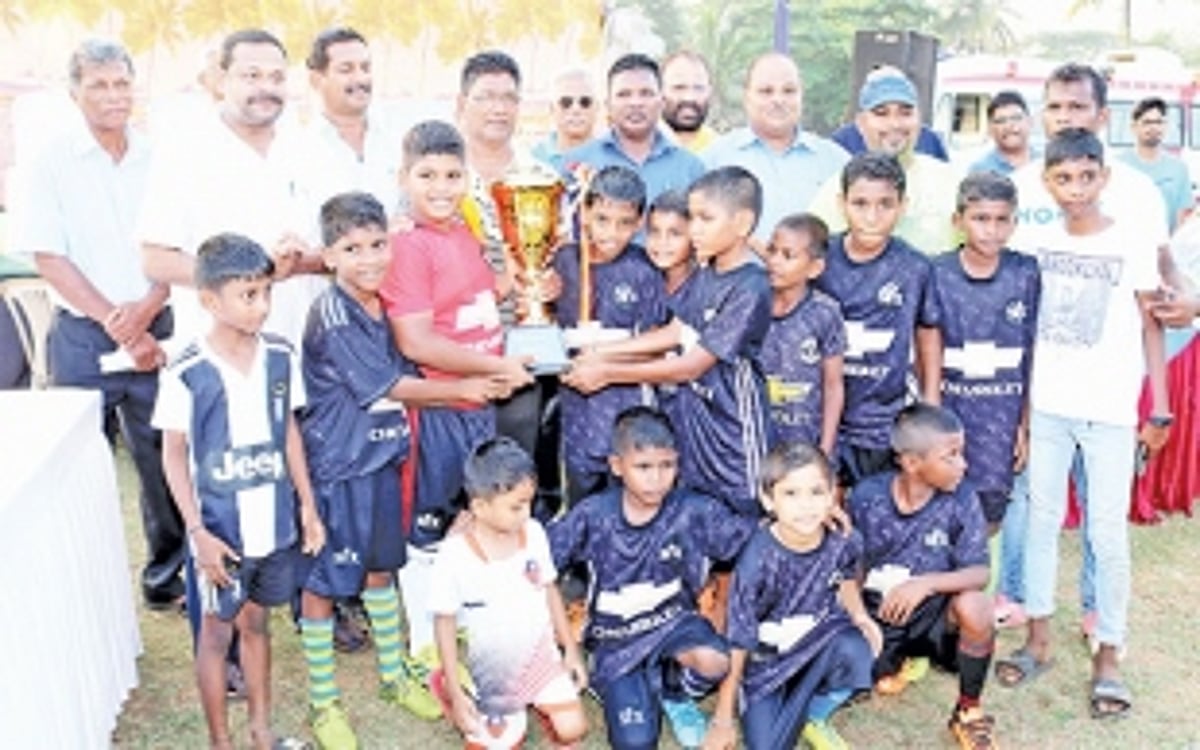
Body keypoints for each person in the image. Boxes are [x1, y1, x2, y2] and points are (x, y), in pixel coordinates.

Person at [297, 192, 513, 745]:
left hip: (385, 456)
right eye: (352, 248)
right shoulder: (333, 313)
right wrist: (463, 388)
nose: (370, 258)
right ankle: (325, 703)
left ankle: (394, 675)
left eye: (377, 244)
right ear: (329, 256)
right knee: (324, 584)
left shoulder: (380, 303)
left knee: (380, 567)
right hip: (341, 467)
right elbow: (387, 387)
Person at [994, 129, 1171, 720]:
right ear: (1047, 180)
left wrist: (1160, 406)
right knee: (1041, 523)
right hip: (1047, 407)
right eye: (1062, 178)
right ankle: (1038, 637)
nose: (1075, 189)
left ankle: (1109, 655)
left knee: (1106, 533)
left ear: (1104, 177)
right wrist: (1021, 415)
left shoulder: (1133, 242)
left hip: (1112, 413)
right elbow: (1026, 334)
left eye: (1086, 176)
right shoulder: (1036, 242)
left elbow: (1153, 327)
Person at [19, 39, 184, 610]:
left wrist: (143, 316)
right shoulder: (50, 163)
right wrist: (118, 324)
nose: (113, 96)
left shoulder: (161, 156)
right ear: (75, 93)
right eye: (99, 85)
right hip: (83, 337)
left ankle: (166, 580)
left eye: (121, 83)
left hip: (156, 326)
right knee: (78, 470)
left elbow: (181, 245)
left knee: (164, 460)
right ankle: (84, 590)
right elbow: (48, 257)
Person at [155, 233, 326, 750]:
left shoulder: (279, 356)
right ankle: (221, 742)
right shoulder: (188, 369)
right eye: (248, 295)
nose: (262, 307)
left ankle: (260, 732)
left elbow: (289, 431)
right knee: (215, 633)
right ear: (210, 301)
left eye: (266, 293)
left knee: (257, 623)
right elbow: (173, 454)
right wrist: (197, 532)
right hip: (220, 531)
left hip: (271, 523)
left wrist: (308, 507)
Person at [382, 119, 532, 667]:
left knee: (466, 513)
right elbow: (417, 339)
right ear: (404, 176)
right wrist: (492, 365)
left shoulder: (464, 232)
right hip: (439, 408)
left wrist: (523, 287)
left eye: (452, 174)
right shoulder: (407, 245)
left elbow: (479, 305)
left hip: (478, 402)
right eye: (427, 175)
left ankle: (458, 616)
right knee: (426, 520)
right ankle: (424, 639)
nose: (441, 187)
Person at [562, 166, 771, 516]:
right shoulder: (708, 274)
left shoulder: (750, 287)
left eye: (705, 218)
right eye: (694, 218)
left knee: (745, 518)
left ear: (742, 223)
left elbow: (691, 366)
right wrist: (598, 353)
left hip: (734, 431)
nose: (696, 229)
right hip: (696, 426)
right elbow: (675, 331)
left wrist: (607, 372)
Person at [549, 406, 759, 750]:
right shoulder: (593, 515)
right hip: (617, 641)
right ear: (617, 466)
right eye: (643, 467)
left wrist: (801, 514)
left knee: (716, 660)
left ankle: (674, 692)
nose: (656, 478)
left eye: (666, 466)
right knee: (635, 742)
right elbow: (538, 560)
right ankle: (622, 684)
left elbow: (754, 535)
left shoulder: (694, 510)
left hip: (674, 626)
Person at [140, 28, 326, 350]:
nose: (266, 87)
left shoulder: (307, 147)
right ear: (223, 80)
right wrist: (253, 272)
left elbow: (333, 250)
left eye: (277, 77)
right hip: (214, 358)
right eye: (251, 76)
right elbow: (155, 259)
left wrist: (301, 261)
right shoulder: (185, 150)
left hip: (300, 351)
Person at [704, 442, 878, 750]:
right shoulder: (756, 560)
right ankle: (777, 702)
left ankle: (814, 713)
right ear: (768, 500)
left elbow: (847, 575)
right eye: (791, 494)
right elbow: (739, 640)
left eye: (816, 492)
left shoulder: (843, 539)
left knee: (857, 650)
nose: (806, 505)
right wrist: (722, 718)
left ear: (832, 494)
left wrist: (860, 615)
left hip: (818, 643)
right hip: (767, 661)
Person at [849, 404, 998, 750]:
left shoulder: (961, 498)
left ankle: (968, 711)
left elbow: (980, 572)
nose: (964, 464)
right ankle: (894, 660)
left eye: (962, 453)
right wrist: (856, 620)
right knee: (849, 682)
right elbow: (850, 569)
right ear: (912, 462)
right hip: (881, 616)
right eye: (952, 456)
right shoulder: (868, 497)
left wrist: (925, 584)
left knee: (976, 605)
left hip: (935, 618)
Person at [929, 172, 1041, 628]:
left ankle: (978, 599)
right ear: (959, 220)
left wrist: (1025, 422)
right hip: (955, 412)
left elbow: (1034, 349)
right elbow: (928, 341)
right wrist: (934, 415)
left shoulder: (1025, 272)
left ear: (1014, 223)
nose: (990, 230)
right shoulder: (938, 271)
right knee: (946, 504)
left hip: (1002, 414)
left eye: (1001, 220)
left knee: (991, 511)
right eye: (980, 219)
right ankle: (939, 606)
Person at [431, 438, 588, 750]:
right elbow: (444, 622)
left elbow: (549, 589)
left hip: (541, 661)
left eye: (529, 502)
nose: (525, 513)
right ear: (479, 506)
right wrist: (460, 694)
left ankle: (545, 709)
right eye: (516, 506)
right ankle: (451, 688)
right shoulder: (453, 556)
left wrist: (570, 650)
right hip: (494, 677)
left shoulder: (534, 533)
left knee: (573, 729)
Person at [812, 153, 941, 489]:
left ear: (902, 206)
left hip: (884, 423)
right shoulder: (820, 259)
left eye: (885, 204)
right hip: (825, 418)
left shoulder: (914, 267)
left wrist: (930, 399)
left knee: (879, 512)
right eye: (860, 203)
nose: (872, 216)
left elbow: (927, 331)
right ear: (842, 204)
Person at [551, 165, 666, 504]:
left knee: (630, 501)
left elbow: (655, 345)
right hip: (575, 414)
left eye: (625, 223)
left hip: (627, 407)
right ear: (584, 213)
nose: (611, 233)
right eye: (601, 219)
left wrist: (605, 361)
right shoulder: (561, 261)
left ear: (640, 223)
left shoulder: (645, 269)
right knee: (580, 499)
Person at [810, 66, 958, 256]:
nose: (895, 124)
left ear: (919, 119)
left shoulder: (949, 182)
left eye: (905, 113)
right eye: (881, 113)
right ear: (861, 123)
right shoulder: (836, 190)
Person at [704, 53, 849, 244]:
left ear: (801, 96)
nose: (778, 100)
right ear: (747, 98)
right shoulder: (716, 159)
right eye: (766, 91)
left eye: (789, 91)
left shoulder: (835, 162)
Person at [564, 53, 705, 207]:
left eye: (646, 93)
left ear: (661, 102)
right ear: (608, 105)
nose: (635, 103)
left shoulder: (691, 169)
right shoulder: (577, 163)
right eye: (624, 94)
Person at [759, 214, 845, 456]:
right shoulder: (751, 303)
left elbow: (833, 385)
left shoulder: (824, 313)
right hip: (756, 441)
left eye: (788, 255)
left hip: (805, 443)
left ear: (815, 268)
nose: (774, 261)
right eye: (771, 251)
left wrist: (826, 448)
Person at [300, 27, 404, 220]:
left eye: (365, 68)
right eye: (346, 70)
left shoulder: (398, 139)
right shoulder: (300, 149)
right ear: (316, 80)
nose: (361, 78)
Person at [1119, 96, 1193, 231]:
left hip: (1164, 248)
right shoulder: (1118, 166)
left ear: (1165, 126)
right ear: (1134, 127)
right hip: (1126, 247)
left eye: (1159, 122)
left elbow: (1182, 217)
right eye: (1147, 122)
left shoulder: (1178, 169)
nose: (1154, 127)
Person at [532, 68, 599, 172]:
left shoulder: (614, 157)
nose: (576, 109)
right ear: (552, 109)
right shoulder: (532, 159)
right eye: (566, 102)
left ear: (597, 107)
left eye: (585, 102)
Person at [660, 50, 719, 153]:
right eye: (679, 88)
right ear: (659, 91)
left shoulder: (720, 151)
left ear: (710, 92)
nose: (689, 98)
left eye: (698, 88)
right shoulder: (638, 146)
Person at [968, 90, 1037, 176]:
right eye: (1001, 121)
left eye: (1016, 118)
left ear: (1030, 122)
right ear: (990, 129)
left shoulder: (1046, 161)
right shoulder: (981, 170)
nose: (1009, 126)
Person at [644, 189, 696, 302]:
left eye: (675, 234)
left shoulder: (704, 288)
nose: (662, 242)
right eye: (654, 231)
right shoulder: (641, 278)